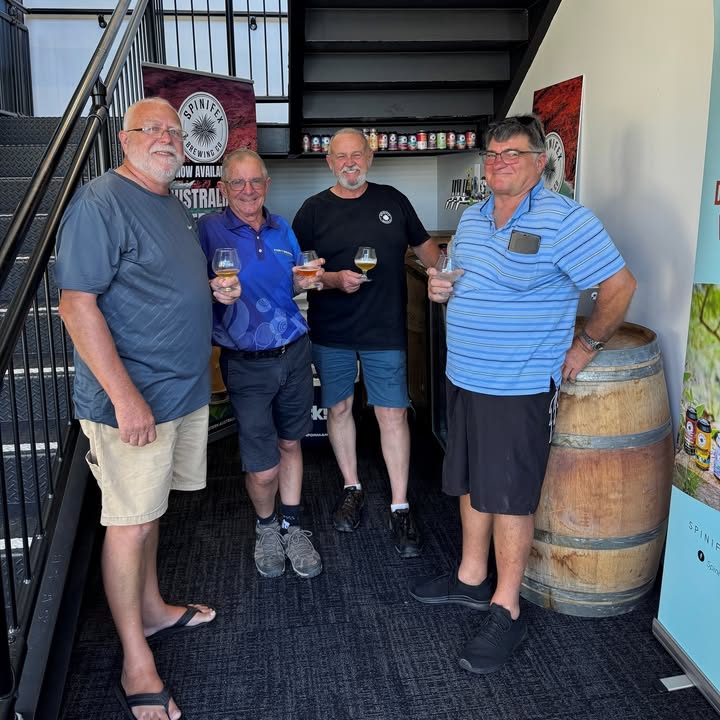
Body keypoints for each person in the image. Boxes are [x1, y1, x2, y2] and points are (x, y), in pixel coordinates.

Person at [409, 114, 637, 674]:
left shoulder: (565, 219)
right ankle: (469, 576)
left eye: (511, 153)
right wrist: (439, 288)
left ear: (540, 161)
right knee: (469, 481)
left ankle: (505, 605)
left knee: (508, 495)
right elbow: (455, 278)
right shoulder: (473, 216)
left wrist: (585, 345)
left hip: (518, 385)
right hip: (465, 375)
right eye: (490, 154)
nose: (498, 162)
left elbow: (619, 285)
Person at [55, 97, 240, 720]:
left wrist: (211, 290)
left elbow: (159, 285)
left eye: (173, 130)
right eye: (150, 129)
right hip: (134, 402)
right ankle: (136, 658)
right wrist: (125, 398)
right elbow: (76, 306)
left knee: (151, 511)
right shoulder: (100, 202)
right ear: (124, 137)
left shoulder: (173, 206)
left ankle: (155, 610)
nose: (165, 137)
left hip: (180, 393)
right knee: (128, 523)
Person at [292, 128, 440, 558]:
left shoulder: (393, 200)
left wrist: (449, 271)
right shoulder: (313, 210)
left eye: (357, 154)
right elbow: (299, 277)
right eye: (341, 157)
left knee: (391, 414)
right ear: (329, 162)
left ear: (370, 158)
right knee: (338, 408)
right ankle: (351, 486)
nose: (350, 163)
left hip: (384, 330)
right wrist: (332, 280)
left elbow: (432, 254)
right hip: (332, 329)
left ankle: (399, 504)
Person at [198, 148, 324, 581]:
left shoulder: (281, 226)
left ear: (266, 186)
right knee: (263, 462)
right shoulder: (208, 229)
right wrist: (211, 290)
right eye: (238, 182)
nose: (248, 190)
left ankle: (292, 525)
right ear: (223, 188)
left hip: (293, 351)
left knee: (291, 444)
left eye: (256, 182)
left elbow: (292, 279)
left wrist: (313, 275)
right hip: (246, 362)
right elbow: (190, 285)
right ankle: (266, 527)